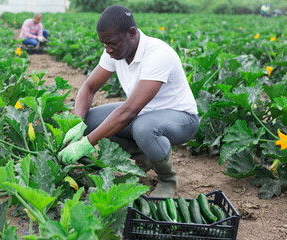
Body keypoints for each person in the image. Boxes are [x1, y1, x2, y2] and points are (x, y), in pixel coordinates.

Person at [58, 5, 199, 198]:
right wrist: (77, 123)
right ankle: (144, 156)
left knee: (144, 127)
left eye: (112, 44)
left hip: (181, 118)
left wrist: (87, 143)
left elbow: (129, 110)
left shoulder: (158, 54)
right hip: (143, 113)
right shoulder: (115, 51)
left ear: (131, 33)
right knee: (89, 121)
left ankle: (167, 179)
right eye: (104, 44)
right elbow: (89, 87)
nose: (107, 50)